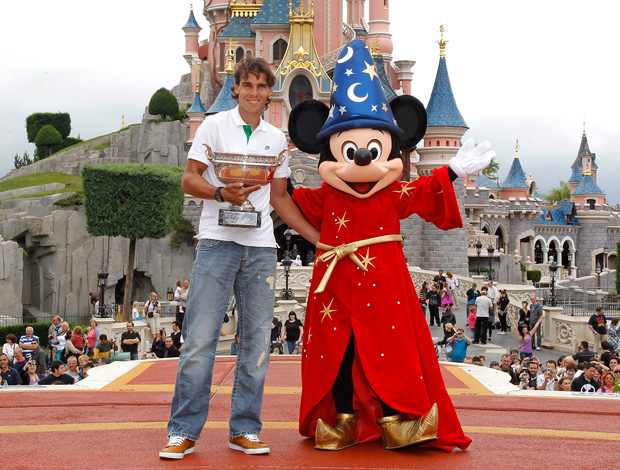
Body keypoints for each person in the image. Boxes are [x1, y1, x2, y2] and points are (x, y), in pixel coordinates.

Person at [160, 56, 319, 460]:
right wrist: (219, 193)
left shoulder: (277, 140)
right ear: (236, 89)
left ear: (270, 93)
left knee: (256, 344)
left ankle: (244, 428)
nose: (254, 93)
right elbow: (189, 177)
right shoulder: (213, 125)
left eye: (261, 87)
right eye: (247, 85)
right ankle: (182, 430)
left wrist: (317, 239)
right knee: (198, 340)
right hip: (217, 241)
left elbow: (281, 199)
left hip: (262, 248)